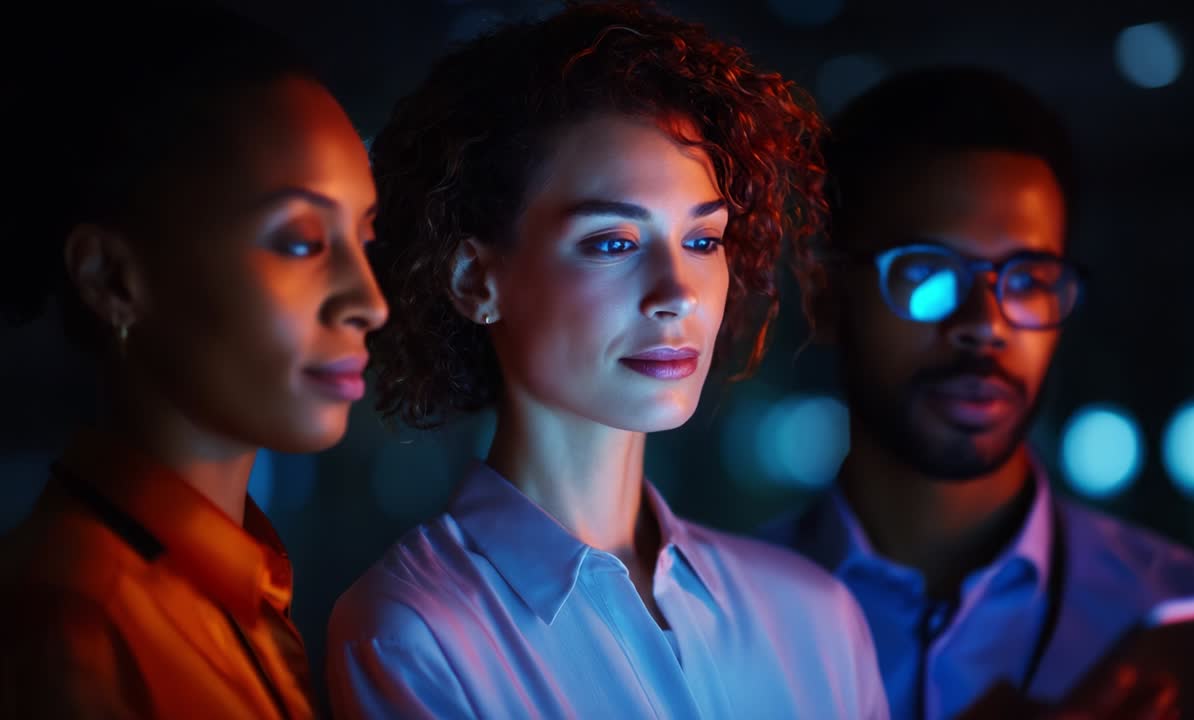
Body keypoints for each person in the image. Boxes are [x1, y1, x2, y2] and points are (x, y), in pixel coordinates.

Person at [326, 3, 888, 718]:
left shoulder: (815, 620)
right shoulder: (417, 634)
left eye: (703, 240)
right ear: (475, 280)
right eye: (614, 242)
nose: (676, 294)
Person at [762, 66, 1194, 720]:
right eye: (928, 273)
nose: (985, 325)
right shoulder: (703, 625)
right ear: (826, 298)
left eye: (1027, 280)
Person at [0, 5, 387, 718]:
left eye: (364, 239)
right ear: (113, 278)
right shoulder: (74, 628)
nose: (369, 301)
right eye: (302, 241)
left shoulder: (240, 590)